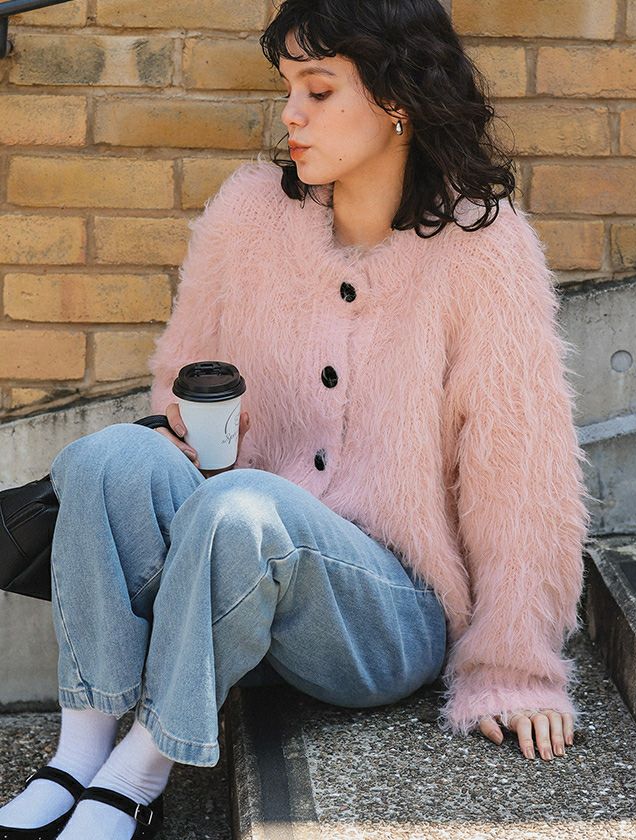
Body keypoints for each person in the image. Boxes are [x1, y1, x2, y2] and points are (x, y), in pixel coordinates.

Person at [0, 0, 594, 837]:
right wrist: (190, 435)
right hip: (233, 576)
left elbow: (521, 478)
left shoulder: (482, 251)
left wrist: (514, 670)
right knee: (107, 457)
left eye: (318, 90)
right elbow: (179, 391)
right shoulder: (247, 216)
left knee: (243, 507)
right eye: (287, 88)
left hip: (382, 616)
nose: (290, 114)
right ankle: (79, 752)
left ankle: (138, 771)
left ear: (398, 100)